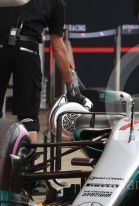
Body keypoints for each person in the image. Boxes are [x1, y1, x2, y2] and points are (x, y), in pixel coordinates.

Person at [0, 0, 86, 144]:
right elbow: (58, 47)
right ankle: (26, 164)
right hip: (27, 51)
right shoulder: (56, 2)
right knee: (28, 119)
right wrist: (71, 85)